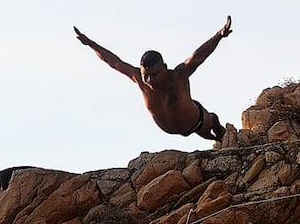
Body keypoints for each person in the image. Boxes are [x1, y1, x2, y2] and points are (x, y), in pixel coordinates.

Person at [74, 16, 232, 142]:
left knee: (210, 129)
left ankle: (217, 123)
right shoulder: (139, 79)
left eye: (154, 75)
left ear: (164, 67)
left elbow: (198, 57)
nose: (150, 80)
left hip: (195, 121)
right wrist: (90, 44)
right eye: (146, 75)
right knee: (207, 138)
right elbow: (114, 62)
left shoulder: (177, 77)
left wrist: (219, 35)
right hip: (174, 128)